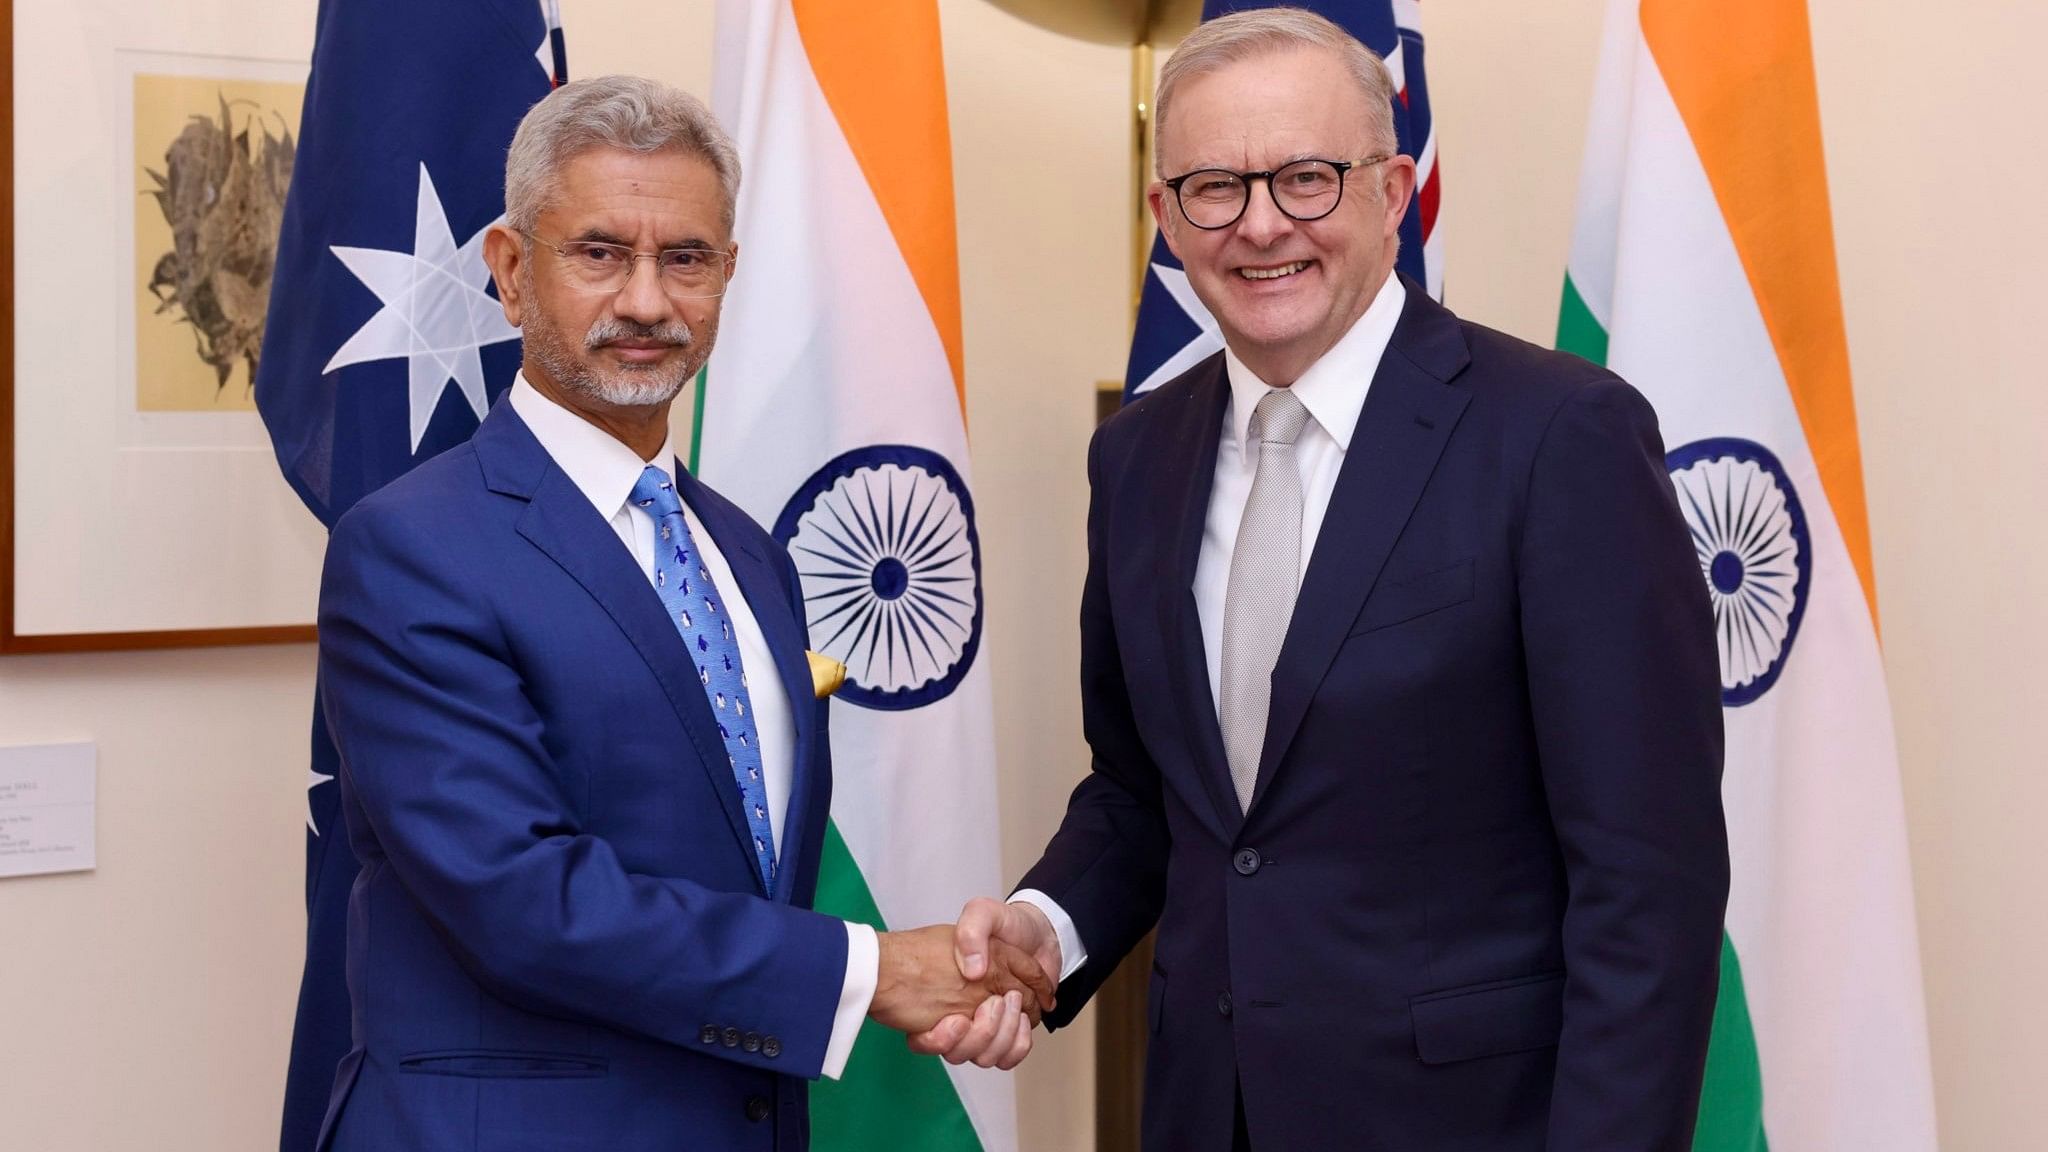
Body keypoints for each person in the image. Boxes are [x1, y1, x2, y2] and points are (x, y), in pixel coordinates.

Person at [919, 10, 1729, 1151]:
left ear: (1394, 191)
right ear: (1164, 218)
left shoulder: (1559, 437)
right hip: (1206, 1114)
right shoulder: (1136, 458)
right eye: (1212, 187)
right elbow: (1143, 792)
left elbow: (1646, 883)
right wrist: (1046, 926)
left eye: (1306, 179)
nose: (1259, 226)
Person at [312, 76, 1050, 1152]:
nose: (649, 302)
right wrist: (877, 972)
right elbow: (522, 903)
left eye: (686, 259)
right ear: (513, 273)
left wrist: (961, 975)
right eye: (600, 252)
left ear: (727, 276)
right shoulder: (412, 548)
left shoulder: (745, 553)